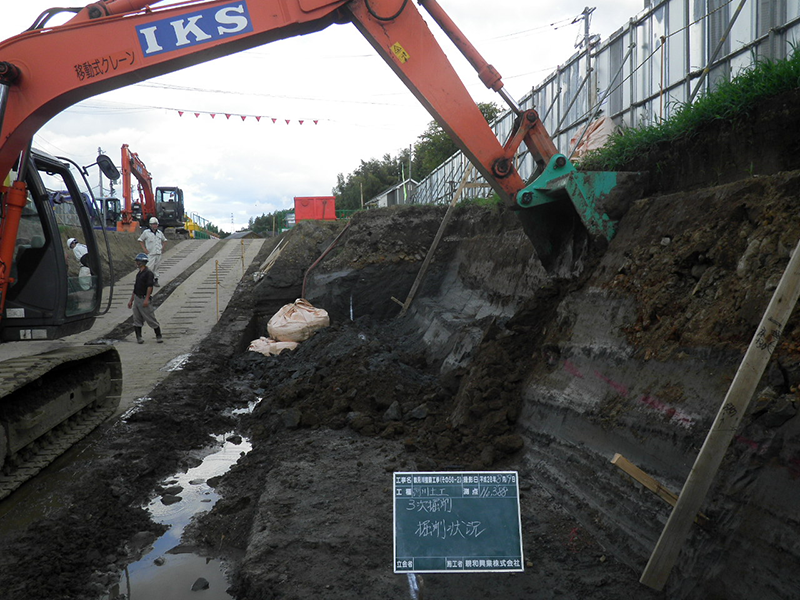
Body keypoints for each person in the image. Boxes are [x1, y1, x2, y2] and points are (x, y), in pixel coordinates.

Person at [127, 253, 163, 344]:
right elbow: (135, 288)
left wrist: (146, 299)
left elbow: (150, 287)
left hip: (143, 298)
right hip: (137, 298)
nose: (136, 263)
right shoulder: (139, 273)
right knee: (136, 319)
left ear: (142, 262)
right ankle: (139, 337)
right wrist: (131, 300)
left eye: (137, 261)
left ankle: (158, 335)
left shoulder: (148, 273)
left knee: (150, 318)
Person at [138, 217, 167, 287]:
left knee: (156, 267)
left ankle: (155, 280)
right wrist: (144, 249)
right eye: (153, 224)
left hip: (158, 253)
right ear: (150, 225)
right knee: (149, 267)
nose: (155, 226)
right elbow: (140, 240)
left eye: (156, 224)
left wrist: (162, 248)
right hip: (150, 253)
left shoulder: (159, 233)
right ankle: (148, 281)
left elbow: (165, 240)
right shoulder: (146, 233)